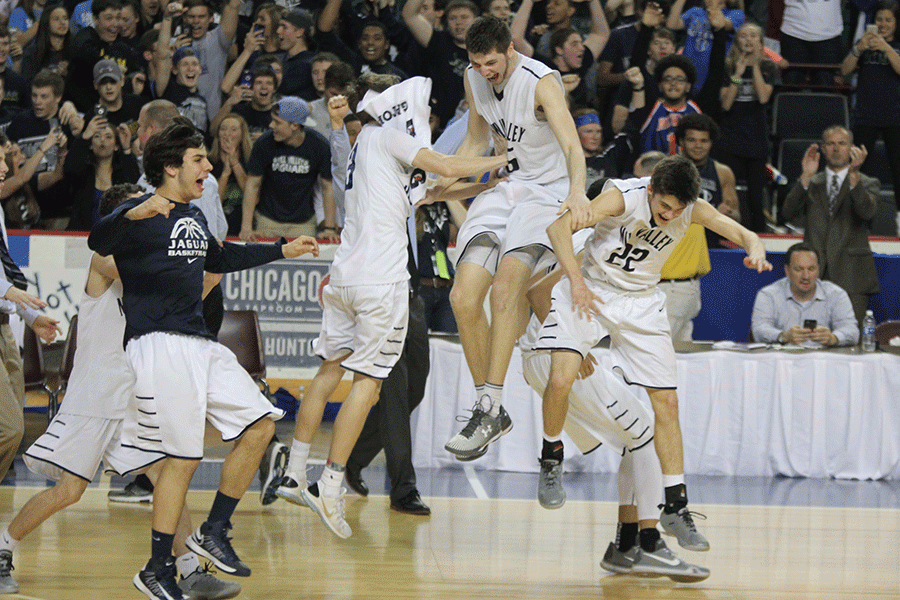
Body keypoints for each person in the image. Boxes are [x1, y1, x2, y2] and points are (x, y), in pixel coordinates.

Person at [88, 116, 319, 599]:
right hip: (156, 344)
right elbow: (97, 241)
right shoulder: (138, 213)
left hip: (199, 342)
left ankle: (213, 530)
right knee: (182, 460)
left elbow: (220, 258)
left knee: (260, 424)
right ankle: (156, 568)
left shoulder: (193, 217)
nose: (209, 167)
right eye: (199, 160)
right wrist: (129, 212)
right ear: (171, 167)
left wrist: (282, 248)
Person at [274, 76, 507, 538]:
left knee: (328, 371)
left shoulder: (368, 149)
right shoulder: (390, 135)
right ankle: (331, 484)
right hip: (381, 283)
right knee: (369, 385)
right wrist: (504, 156)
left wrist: (493, 177)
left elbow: (437, 190)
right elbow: (442, 162)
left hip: (344, 278)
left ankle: (294, 472)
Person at [0, 184, 239, 600]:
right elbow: (148, 271)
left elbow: (195, 291)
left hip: (133, 397)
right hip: (93, 399)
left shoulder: (155, 266)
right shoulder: (103, 260)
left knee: (167, 477)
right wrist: (188, 256)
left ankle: (186, 568)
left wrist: (212, 266)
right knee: (69, 491)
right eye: (146, 211)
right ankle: (3, 547)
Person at [536, 154, 771, 551]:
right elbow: (558, 228)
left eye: (676, 211)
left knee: (667, 403)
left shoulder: (691, 209)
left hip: (641, 301)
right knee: (560, 377)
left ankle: (675, 505)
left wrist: (756, 244)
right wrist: (575, 281)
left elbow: (738, 230)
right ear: (651, 190)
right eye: (663, 207)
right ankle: (551, 457)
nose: (668, 216)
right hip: (592, 287)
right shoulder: (622, 196)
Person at [439, 16, 591, 461]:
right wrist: (443, 180)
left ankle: (489, 406)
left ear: (510, 49)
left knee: (507, 288)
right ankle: (492, 409)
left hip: (547, 196)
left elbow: (572, 146)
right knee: (464, 298)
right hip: (508, 187)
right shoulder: (474, 78)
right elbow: (475, 141)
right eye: (477, 63)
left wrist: (578, 191)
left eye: (492, 62)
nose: (485, 71)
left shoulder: (541, 81)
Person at [519, 275, 709, 582]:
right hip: (549, 357)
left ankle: (625, 545)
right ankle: (648, 545)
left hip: (539, 360)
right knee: (647, 434)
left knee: (635, 439)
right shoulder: (596, 242)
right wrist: (569, 347)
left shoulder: (620, 253)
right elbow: (537, 292)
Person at [0, 134, 62, 487]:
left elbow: (4, 269)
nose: (6, 167)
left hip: (5, 327)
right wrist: (9, 292)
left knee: (15, 431)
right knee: (9, 430)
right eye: (0, 159)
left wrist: (30, 317)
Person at [781, 126, 880, 324]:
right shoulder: (812, 182)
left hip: (852, 276)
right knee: (811, 339)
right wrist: (805, 177)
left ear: (852, 148)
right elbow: (787, 215)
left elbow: (866, 212)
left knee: (850, 338)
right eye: (830, 144)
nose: (836, 148)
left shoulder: (868, 183)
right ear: (823, 149)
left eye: (842, 143)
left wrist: (854, 176)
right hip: (812, 276)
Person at [657, 114, 739, 341]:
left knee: (683, 346)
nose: (698, 145)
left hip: (704, 258)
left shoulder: (722, 172)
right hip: (672, 261)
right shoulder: (668, 169)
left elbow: (736, 216)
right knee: (664, 346)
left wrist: (726, 213)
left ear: (711, 143)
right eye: (692, 140)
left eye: (703, 140)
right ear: (681, 141)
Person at [240, 96, 338, 242]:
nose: (271, 125)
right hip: (267, 222)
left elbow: (328, 187)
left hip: (303, 225)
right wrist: (246, 227)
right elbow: (252, 184)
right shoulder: (264, 143)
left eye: (277, 122)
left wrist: (329, 228)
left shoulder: (319, 146)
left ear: (294, 125)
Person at [841, 0, 900, 225]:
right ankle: (850, 217)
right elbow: (845, 70)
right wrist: (859, 48)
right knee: (856, 167)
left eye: (888, 20)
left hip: (895, 115)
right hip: (866, 114)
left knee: (898, 170)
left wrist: (886, 47)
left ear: (896, 23)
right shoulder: (862, 45)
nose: (883, 24)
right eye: (879, 20)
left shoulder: (896, 45)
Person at [719, 21, 777, 234]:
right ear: (737, 41)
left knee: (755, 197)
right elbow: (725, 104)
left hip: (756, 139)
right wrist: (738, 73)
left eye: (754, 36)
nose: (749, 40)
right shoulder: (727, 66)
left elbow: (763, 98)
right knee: (729, 194)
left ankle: (760, 237)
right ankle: (728, 236)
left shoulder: (769, 66)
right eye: (744, 36)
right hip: (730, 137)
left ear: (761, 43)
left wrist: (753, 68)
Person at [751, 242, 859, 346]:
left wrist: (833, 338)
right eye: (799, 269)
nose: (806, 276)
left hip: (822, 360)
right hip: (782, 360)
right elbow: (759, 330)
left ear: (818, 270)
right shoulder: (768, 295)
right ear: (787, 271)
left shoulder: (836, 294)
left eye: (811, 269)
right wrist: (783, 336)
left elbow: (852, 331)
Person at [402, 0, 479, 128]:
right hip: (436, 126)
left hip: (473, 127)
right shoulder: (438, 41)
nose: (459, 22)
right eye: (453, 18)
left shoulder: (486, 49)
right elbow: (410, 15)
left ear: (476, 21)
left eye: (464, 17)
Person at [65, 115, 141, 231]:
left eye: (108, 137)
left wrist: (126, 148)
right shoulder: (83, 173)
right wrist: (85, 136)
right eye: (97, 136)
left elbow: (134, 181)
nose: (102, 140)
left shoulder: (121, 174)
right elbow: (70, 167)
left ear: (116, 146)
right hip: (82, 238)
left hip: (116, 238)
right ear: (90, 145)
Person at [19, 4, 73, 80]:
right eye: (56, 19)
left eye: (65, 18)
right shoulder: (32, 53)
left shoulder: (75, 51)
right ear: (46, 23)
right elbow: (26, 85)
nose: (62, 22)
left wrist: (68, 74)